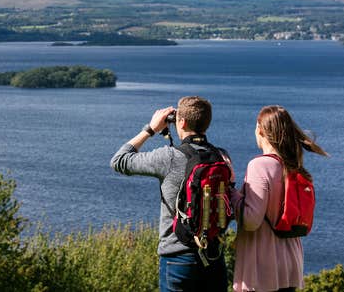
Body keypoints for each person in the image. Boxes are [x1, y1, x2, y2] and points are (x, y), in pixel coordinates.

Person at [110, 96, 229, 292]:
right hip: (213, 256)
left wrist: (151, 129)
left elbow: (119, 160)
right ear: (207, 123)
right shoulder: (221, 156)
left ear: (180, 122)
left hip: (177, 258)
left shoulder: (169, 157)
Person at [230, 105, 328, 292]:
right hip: (291, 263)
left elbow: (251, 220)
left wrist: (231, 193)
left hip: (263, 268)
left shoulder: (260, 165)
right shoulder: (294, 166)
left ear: (260, 129)